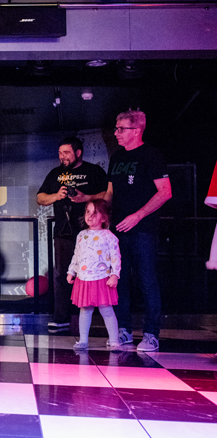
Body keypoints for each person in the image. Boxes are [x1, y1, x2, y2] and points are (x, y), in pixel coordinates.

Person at [103, 109, 171, 352]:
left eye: (121, 129)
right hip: (117, 230)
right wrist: (102, 216)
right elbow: (110, 192)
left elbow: (165, 192)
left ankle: (151, 334)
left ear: (137, 130)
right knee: (118, 280)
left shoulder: (151, 155)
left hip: (143, 230)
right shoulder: (116, 157)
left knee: (147, 280)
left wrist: (138, 215)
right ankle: (123, 330)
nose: (116, 133)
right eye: (116, 128)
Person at [37, 137, 107, 330]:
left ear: (78, 152)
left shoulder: (94, 171)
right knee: (61, 275)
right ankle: (61, 318)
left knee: (95, 273)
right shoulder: (55, 173)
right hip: (63, 232)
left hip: (92, 233)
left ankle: (101, 317)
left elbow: (108, 195)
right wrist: (56, 196)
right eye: (60, 153)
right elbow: (40, 198)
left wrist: (86, 198)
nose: (62, 157)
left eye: (66, 153)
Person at [67, 200, 121, 351]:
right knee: (85, 310)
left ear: (104, 217)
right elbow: (76, 255)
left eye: (95, 213)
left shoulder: (109, 236)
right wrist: (71, 271)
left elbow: (116, 257)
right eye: (88, 212)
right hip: (84, 279)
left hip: (102, 279)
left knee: (106, 310)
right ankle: (83, 340)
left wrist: (115, 275)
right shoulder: (81, 235)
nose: (90, 216)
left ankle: (114, 341)